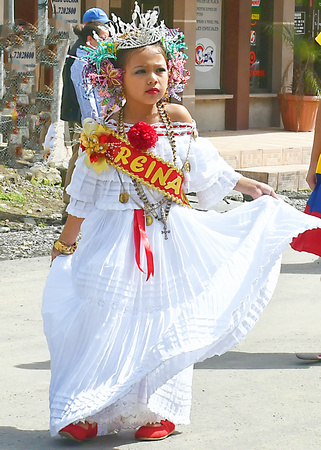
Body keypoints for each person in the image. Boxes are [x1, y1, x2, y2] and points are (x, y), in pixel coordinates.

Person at [42, 2, 321, 442]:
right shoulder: (102, 131)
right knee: (102, 320)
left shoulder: (178, 121)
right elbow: (83, 195)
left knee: (162, 320)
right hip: (111, 237)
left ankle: (157, 410)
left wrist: (247, 185)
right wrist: (65, 245)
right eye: (140, 72)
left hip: (168, 235)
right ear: (117, 78)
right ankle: (89, 408)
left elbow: (204, 168)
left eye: (160, 69)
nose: (153, 79)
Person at [60, 8, 111, 208]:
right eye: (104, 26)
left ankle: (75, 201)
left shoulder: (88, 47)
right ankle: (68, 203)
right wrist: (88, 118)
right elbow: (81, 91)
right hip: (78, 113)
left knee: (82, 154)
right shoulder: (80, 52)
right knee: (79, 155)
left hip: (80, 113)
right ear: (93, 30)